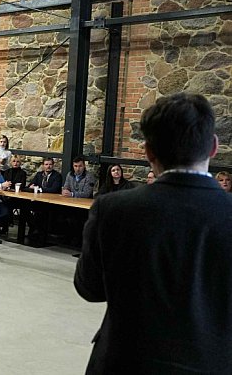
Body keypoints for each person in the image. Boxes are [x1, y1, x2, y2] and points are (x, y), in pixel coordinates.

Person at [75, 92, 232, 373]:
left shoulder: (114, 209)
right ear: (213, 147)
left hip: (125, 361)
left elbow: (89, 287)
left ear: (147, 151)